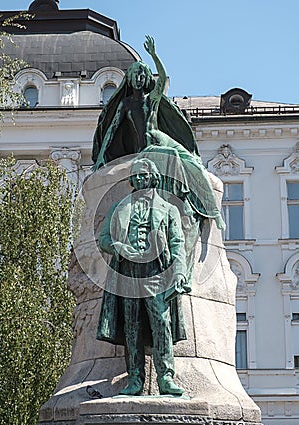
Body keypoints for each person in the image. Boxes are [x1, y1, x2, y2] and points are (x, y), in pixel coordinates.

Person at [92, 35, 225, 232]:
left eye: (141, 74)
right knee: (175, 159)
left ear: (146, 78)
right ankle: (185, 200)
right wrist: (101, 157)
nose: (138, 78)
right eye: (134, 74)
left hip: (162, 139)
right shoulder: (126, 104)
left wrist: (154, 55)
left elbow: (161, 79)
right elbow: (111, 130)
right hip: (147, 147)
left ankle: (212, 211)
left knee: (194, 162)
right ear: (128, 78)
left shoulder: (151, 99)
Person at [97, 158, 188, 396]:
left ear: (153, 177)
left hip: (156, 272)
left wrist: (179, 272)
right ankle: (135, 378)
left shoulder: (168, 209)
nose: (139, 180)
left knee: (162, 324)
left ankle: (166, 378)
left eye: (144, 175)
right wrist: (118, 247)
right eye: (135, 176)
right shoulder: (120, 207)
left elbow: (178, 243)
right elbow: (103, 239)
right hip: (127, 272)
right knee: (131, 326)